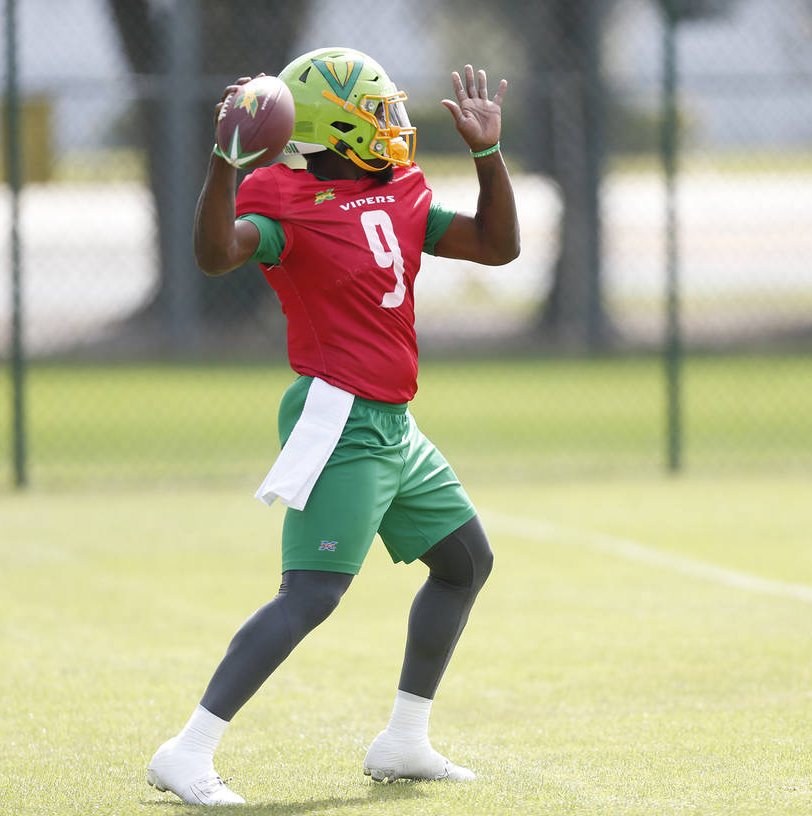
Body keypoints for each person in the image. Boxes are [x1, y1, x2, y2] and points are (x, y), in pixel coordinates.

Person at [146, 46, 519, 806]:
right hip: (340, 415)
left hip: (394, 422)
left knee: (465, 563)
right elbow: (217, 256)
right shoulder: (280, 197)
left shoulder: (403, 190)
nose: (395, 125)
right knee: (311, 593)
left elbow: (496, 245)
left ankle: (404, 740)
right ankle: (187, 752)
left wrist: (488, 153)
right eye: (378, 113)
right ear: (336, 126)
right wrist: (223, 161)